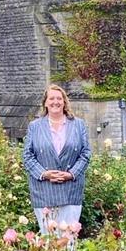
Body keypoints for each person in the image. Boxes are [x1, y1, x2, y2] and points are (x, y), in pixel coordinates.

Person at [22, 84, 92, 235]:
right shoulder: (35, 126)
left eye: (59, 98)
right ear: (45, 103)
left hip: (71, 191)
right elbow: (27, 156)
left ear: (64, 102)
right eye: (51, 98)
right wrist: (45, 173)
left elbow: (86, 153)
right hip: (44, 191)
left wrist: (71, 173)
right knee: (50, 243)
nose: (56, 102)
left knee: (69, 240)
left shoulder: (78, 125)